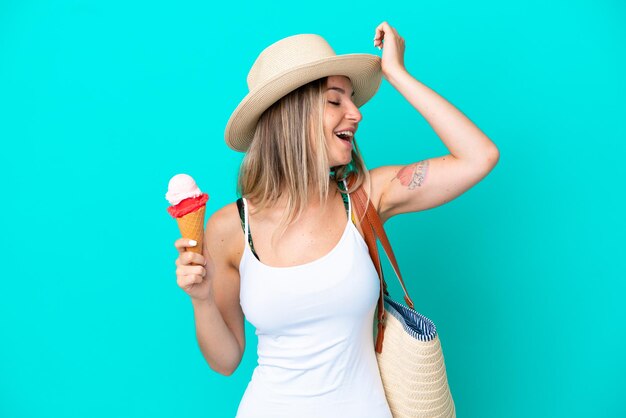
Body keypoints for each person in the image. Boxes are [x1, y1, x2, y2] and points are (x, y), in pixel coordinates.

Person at [173, 21, 499, 417]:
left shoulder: (365, 198)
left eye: (353, 99)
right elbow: (225, 361)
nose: (356, 113)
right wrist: (202, 300)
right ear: (293, 115)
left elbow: (478, 156)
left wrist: (397, 74)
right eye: (335, 100)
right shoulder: (230, 227)